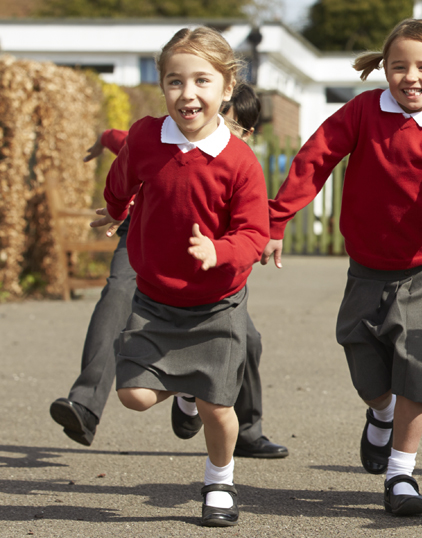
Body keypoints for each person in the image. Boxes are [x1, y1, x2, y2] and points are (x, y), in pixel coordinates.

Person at [261, 19, 422, 516]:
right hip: (367, 269)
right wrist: (276, 219)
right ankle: (381, 414)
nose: (410, 77)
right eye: (399, 66)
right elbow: (314, 159)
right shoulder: (364, 111)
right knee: (367, 372)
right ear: (384, 69)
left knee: (417, 369)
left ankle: (402, 475)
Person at [51, 83, 288, 460]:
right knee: (117, 297)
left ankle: (241, 427)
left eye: (233, 125)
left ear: (247, 132)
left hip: (206, 252)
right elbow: (125, 143)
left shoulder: (236, 161)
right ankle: (85, 403)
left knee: (249, 340)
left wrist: (249, 241)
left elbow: (252, 225)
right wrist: (103, 142)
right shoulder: (161, 135)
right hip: (148, 236)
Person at [96, 27, 270, 527]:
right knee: (133, 395)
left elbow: (253, 232)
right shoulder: (148, 136)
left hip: (217, 304)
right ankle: (187, 392)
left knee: (219, 407)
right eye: (175, 81)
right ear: (162, 85)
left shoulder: (238, 161)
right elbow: (123, 175)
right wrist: (113, 209)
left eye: (201, 81)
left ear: (227, 86)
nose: (188, 94)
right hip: (154, 300)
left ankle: (220, 481)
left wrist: (220, 250)